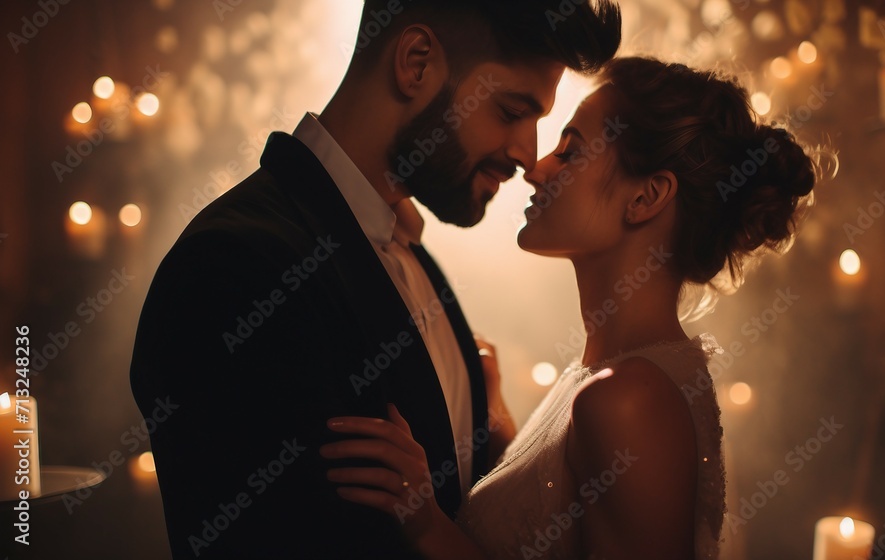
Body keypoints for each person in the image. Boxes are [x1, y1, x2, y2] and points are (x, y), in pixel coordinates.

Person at [128, 1, 621, 558]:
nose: (527, 154)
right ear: (415, 63)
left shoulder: (410, 253)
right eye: (511, 111)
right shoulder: (235, 264)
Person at [320, 57, 818, 559]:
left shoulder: (628, 401)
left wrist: (425, 523)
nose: (534, 170)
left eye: (571, 151)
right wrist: (497, 427)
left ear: (646, 196)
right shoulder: (616, 375)